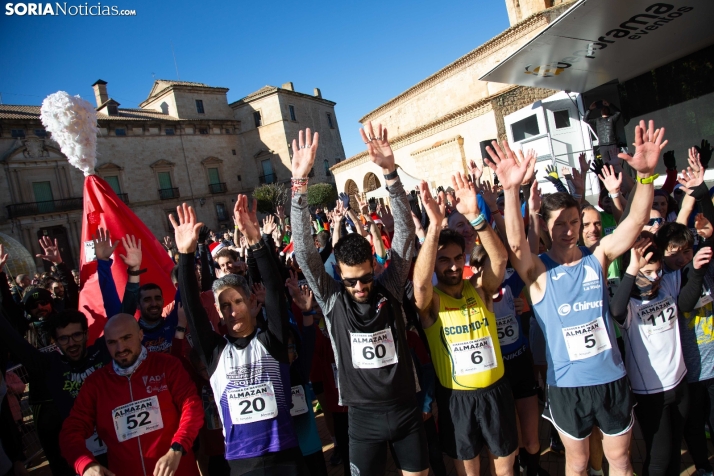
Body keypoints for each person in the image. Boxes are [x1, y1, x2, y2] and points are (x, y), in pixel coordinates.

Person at [496, 119, 666, 476]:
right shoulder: (538, 273)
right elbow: (514, 246)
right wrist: (511, 191)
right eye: (559, 223)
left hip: (611, 380)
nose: (568, 230)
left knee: (620, 461)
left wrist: (648, 177)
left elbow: (634, 223)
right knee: (578, 464)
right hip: (567, 388)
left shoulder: (598, 257)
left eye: (573, 222)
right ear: (545, 226)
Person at [291, 125, 429, 476]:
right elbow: (305, 254)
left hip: (405, 411)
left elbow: (405, 232)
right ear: (339, 273)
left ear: (374, 266)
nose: (361, 287)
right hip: (362, 420)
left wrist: (389, 173)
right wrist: (299, 184)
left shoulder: (391, 286)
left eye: (366, 277)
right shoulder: (333, 299)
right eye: (351, 281)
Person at [175, 199, 304, 475]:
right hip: (242, 464)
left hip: (286, 458)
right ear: (219, 314)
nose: (232, 311)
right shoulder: (214, 353)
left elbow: (273, 288)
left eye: (237, 302)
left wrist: (257, 241)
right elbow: (194, 309)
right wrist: (185, 256)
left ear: (250, 301)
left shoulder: (273, 341)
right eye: (224, 306)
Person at [412, 176, 519, 476]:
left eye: (458, 258)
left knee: (506, 472)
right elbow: (419, 286)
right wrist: (434, 228)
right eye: (444, 260)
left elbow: (499, 261)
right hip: (458, 400)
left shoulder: (480, 289)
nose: (454, 266)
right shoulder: (432, 305)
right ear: (434, 264)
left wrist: (476, 216)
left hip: (496, 392)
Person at [610, 237, 710, 476]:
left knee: (674, 452)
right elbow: (616, 310)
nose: (654, 278)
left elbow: (687, 285)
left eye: (657, 271)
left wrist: (695, 265)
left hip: (680, 383)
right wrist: (633, 269)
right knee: (658, 459)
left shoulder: (666, 284)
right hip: (651, 394)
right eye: (647, 272)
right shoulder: (628, 301)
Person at [59, 313, 203, 476]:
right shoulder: (96, 384)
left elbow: (192, 407)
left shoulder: (167, 366)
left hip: (176, 470)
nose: (120, 348)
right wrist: (85, 465)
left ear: (140, 335)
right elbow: (70, 432)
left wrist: (177, 448)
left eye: (127, 338)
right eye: (112, 342)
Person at [584, 100, 621, 165]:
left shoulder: (612, 118)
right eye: (602, 109)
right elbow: (585, 119)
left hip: (612, 144)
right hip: (603, 145)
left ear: (608, 111)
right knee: (606, 165)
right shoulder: (597, 120)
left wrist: (609, 104)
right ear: (600, 111)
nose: (603, 110)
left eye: (605, 108)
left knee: (616, 164)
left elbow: (618, 112)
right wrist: (590, 109)